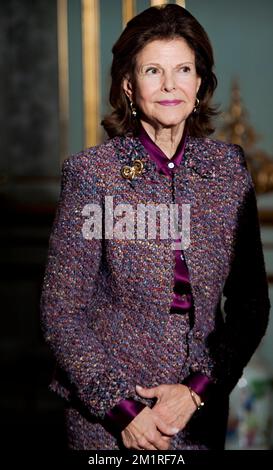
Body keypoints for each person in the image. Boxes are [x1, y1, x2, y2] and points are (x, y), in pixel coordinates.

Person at [40, 4, 270, 450]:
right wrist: (122, 410)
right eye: (153, 71)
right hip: (109, 423)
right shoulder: (93, 175)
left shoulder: (227, 171)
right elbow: (62, 312)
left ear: (200, 82)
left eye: (183, 69)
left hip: (199, 415)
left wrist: (197, 391)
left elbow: (250, 305)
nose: (170, 85)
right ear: (128, 83)